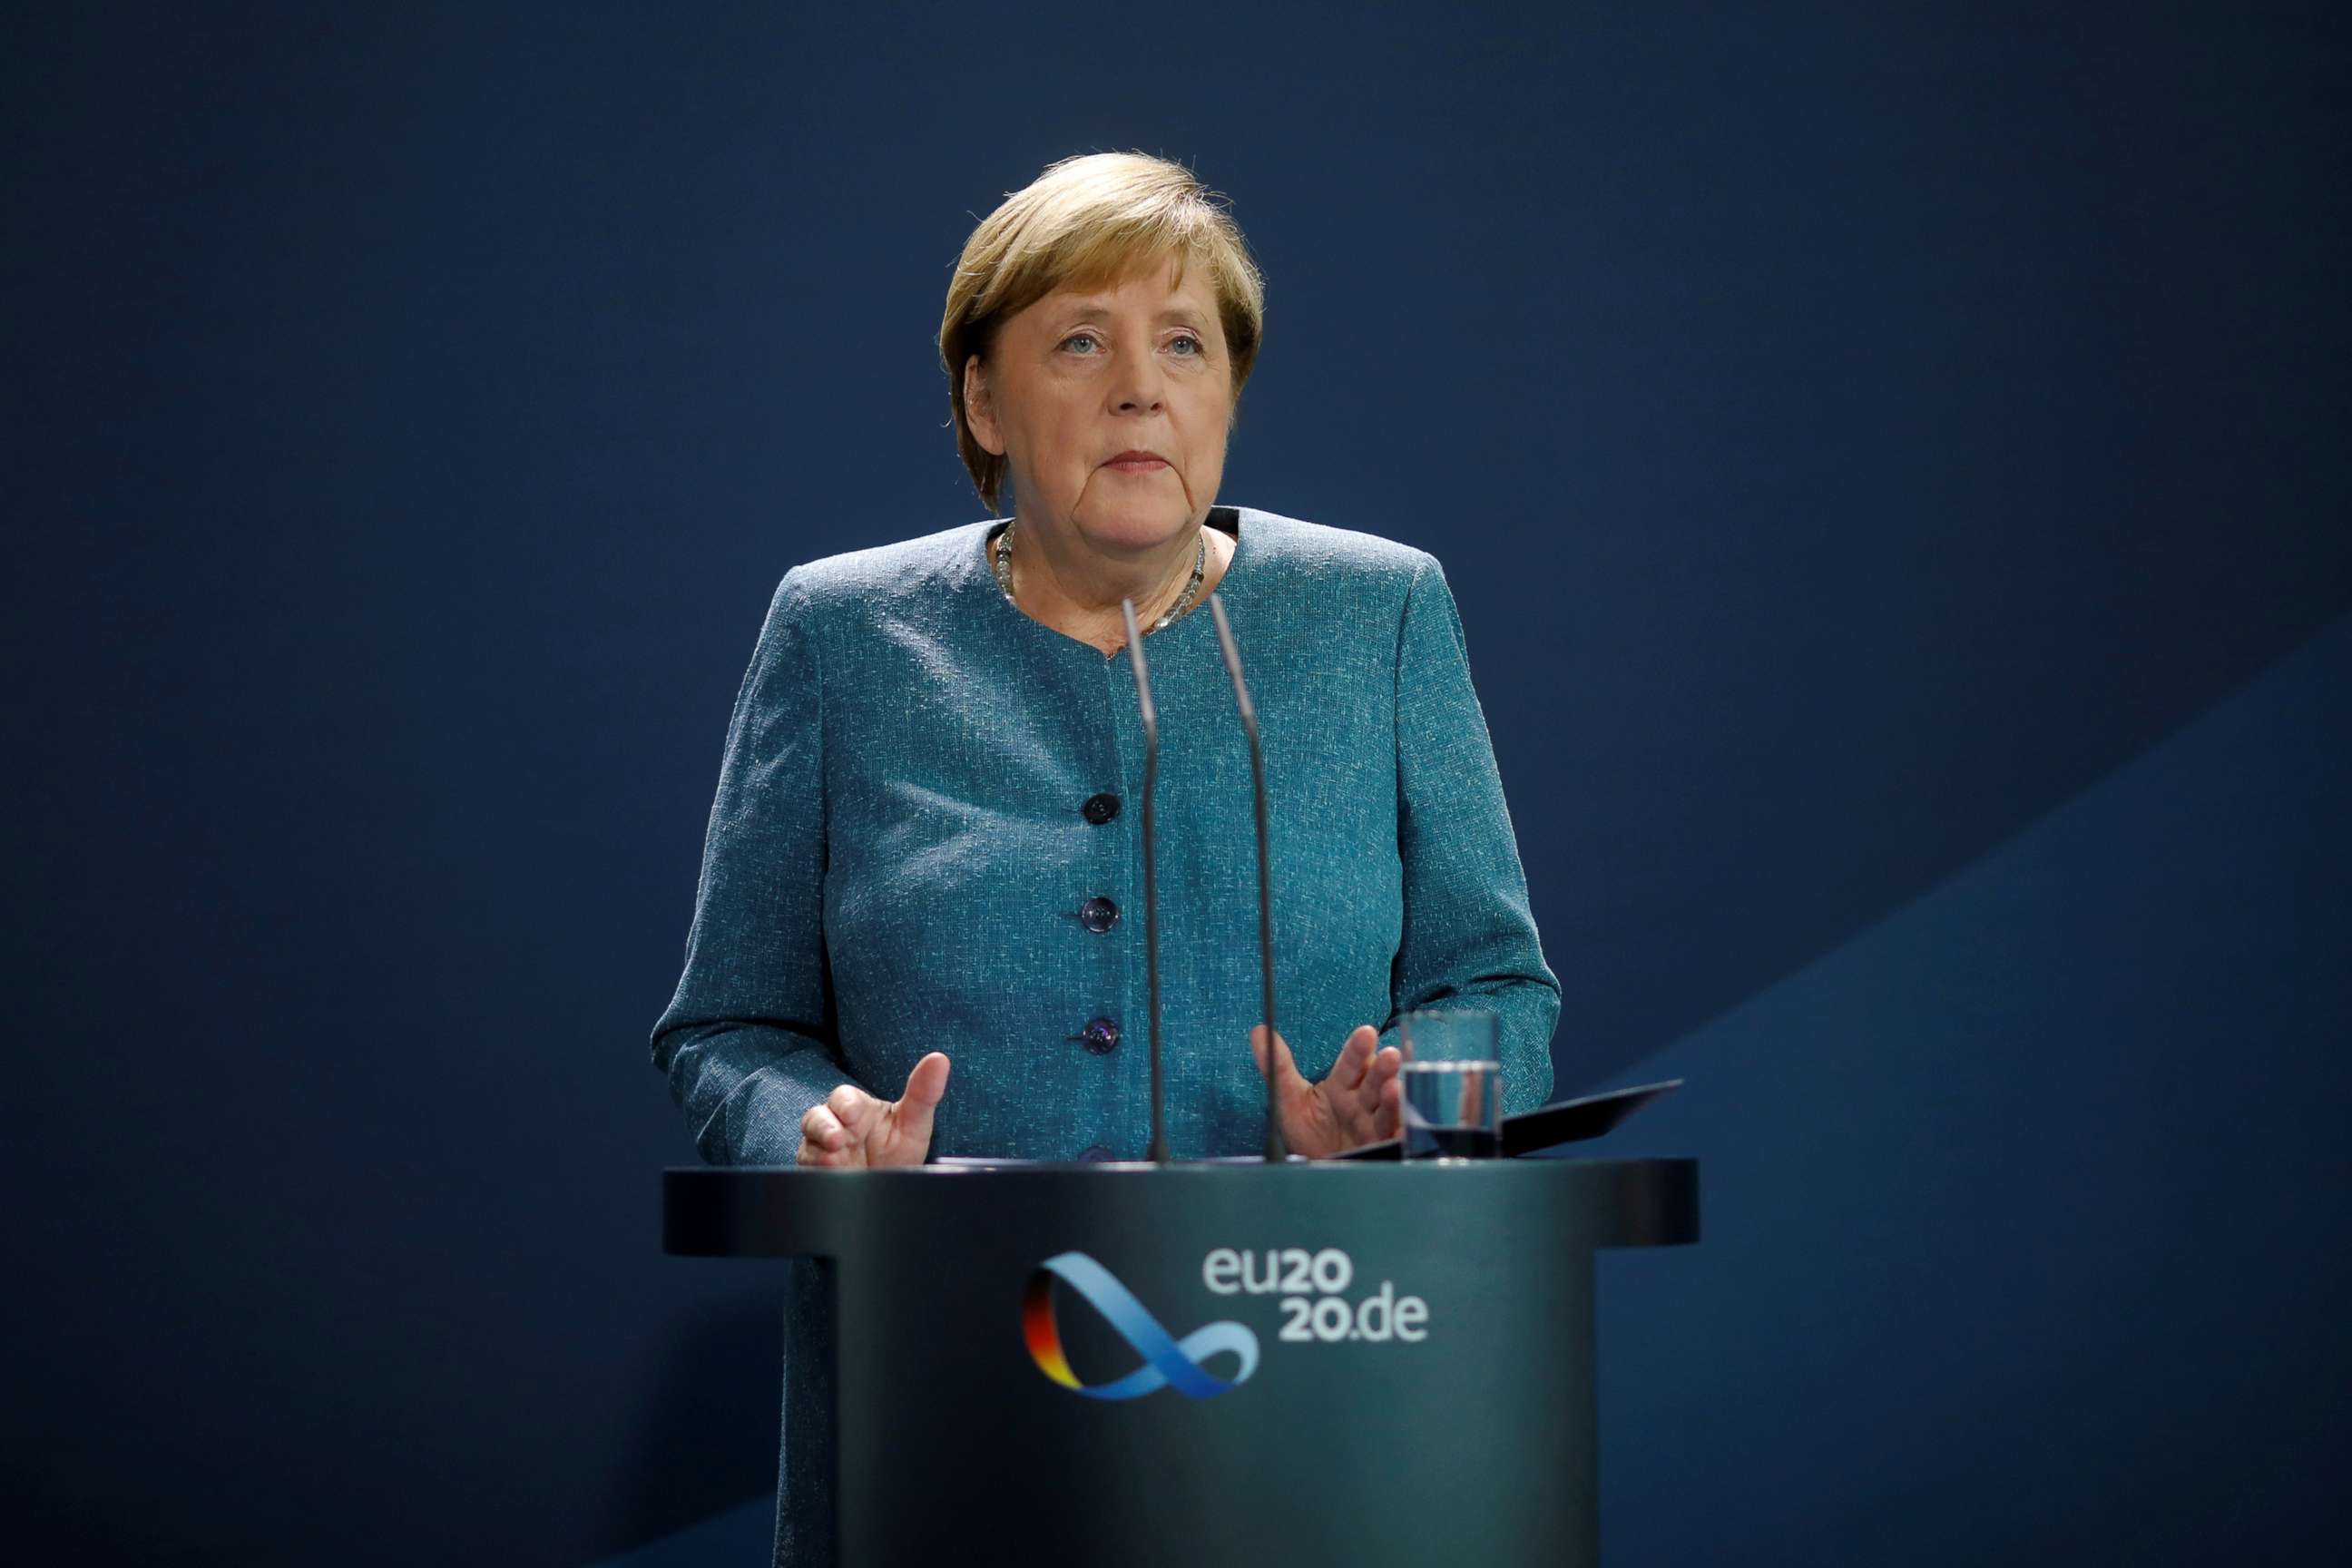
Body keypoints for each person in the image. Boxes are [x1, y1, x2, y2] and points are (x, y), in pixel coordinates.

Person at [649, 150, 1560, 1562]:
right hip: (940, 1413)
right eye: (1081, 340)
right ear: (982, 399)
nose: (1141, 387)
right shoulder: (843, 637)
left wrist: (1400, 1134)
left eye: (1184, 343)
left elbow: (1496, 981)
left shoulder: (1376, 614)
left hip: (1311, 1398)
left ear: (1228, 395)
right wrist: (822, 1139)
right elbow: (731, 1026)